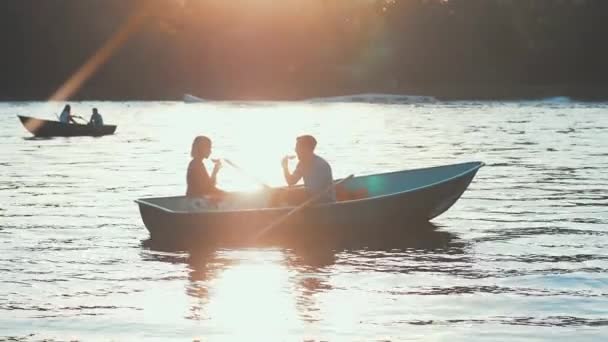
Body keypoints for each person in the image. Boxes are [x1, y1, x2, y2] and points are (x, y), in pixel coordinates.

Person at [280, 135, 335, 205]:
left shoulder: (321, 165)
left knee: (289, 195)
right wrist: (285, 167)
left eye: (298, 148)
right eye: (296, 148)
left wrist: (291, 193)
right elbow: (291, 181)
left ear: (306, 149)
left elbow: (314, 191)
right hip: (311, 201)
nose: (296, 151)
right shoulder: (302, 164)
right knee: (286, 195)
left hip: (324, 203)